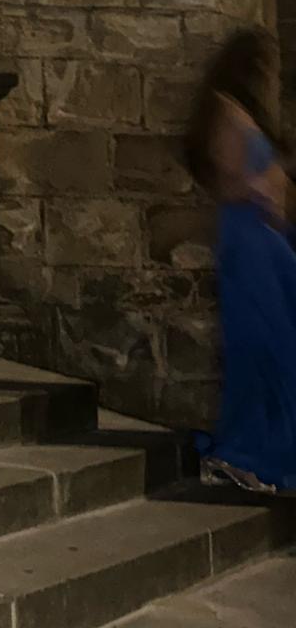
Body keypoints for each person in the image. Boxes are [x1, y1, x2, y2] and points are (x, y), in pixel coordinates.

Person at [182, 28, 296, 494]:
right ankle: (245, 455)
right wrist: (261, 188)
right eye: (267, 64)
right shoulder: (227, 110)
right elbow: (227, 182)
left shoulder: (250, 115)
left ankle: (264, 456)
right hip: (248, 244)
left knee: (280, 350)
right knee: (263, 350)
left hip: (268, 245)